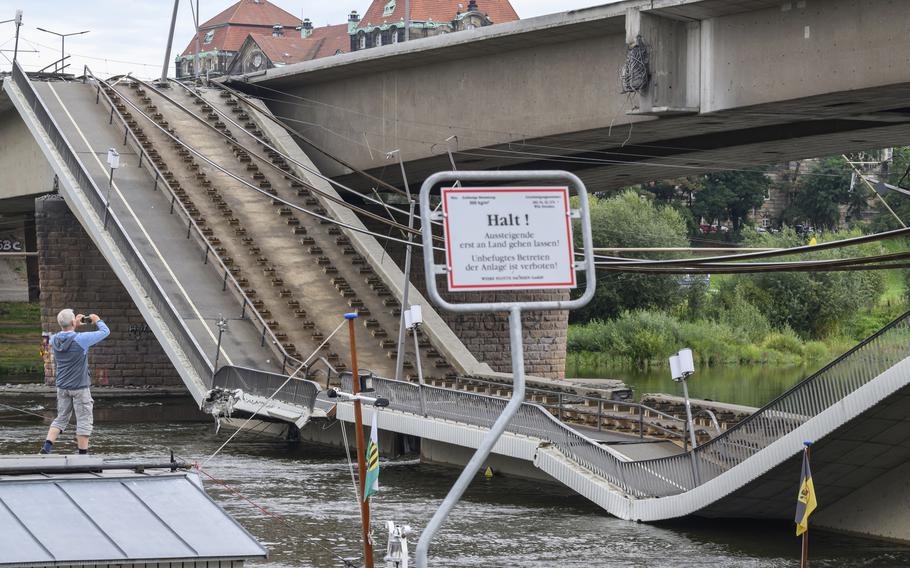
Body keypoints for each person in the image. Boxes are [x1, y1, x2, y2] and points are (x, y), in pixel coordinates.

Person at [39, 309, 110, 455]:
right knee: (84, 420)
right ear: (72, 322)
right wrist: (97, 320)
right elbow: (105, 332)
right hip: (80, 387)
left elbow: (67, 336)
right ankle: (82, 455)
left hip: (62, 387)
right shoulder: (81, 339)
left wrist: (73, 325)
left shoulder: (54, 339)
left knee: (61, 418)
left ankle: (46, 449)